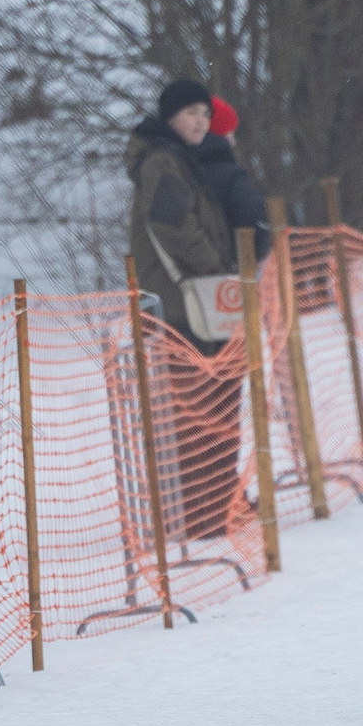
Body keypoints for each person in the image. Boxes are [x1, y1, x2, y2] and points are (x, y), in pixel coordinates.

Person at [125, 77, 244, 541]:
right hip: (182, 307)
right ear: (169, 116)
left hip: (196, 303)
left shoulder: (178, 159)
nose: (200, 121)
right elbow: (173, 225)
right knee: (198, 412)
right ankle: (201, 517)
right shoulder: (161, 163)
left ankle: (218, 507)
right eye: (190, 113)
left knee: (216, 406)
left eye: (204, 114)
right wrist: (218, 267)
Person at [197, 97, 272, 260]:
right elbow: (253, 218)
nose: (234, 140)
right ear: (220, 135)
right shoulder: (231, 175)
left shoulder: (178, 169)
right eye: (230, 133)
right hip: (229, 271)